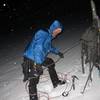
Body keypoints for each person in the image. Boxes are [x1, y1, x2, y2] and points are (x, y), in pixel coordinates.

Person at [22, 20, 66, 100]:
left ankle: (55, 82)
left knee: (50, 62)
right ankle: (33, 97)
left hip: (39, 57)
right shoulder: (42, 33)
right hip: (31, 57)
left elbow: (49, 47)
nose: (57, 33)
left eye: (59, 32)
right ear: (53, 28)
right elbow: (38, 48)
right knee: (34, 77)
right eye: (57, 30)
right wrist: (38, 64)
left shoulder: (49, 36)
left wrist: (58, 52)